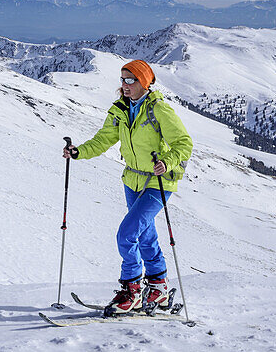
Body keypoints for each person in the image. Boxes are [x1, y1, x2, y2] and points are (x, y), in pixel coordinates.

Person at [63, 59, 193, 315]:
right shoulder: (120, 110)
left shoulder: (159, 110)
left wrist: (166, 162)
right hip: (132, 180)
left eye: (131, 80)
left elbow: (184, 143)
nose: (125, 85)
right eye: (122, 79)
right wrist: (79, 152)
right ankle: (159, 287)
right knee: (144, 234)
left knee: (126, 234)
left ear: (144, 82)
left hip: (157, 182)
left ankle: (132, 290)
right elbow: (103, 140)